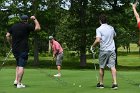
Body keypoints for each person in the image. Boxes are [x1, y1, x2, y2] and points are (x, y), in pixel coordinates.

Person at [6, 15, 41, 88]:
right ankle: (19, 84)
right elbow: (38, 28)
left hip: (15, 49)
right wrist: (34, 19)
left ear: (20, 19)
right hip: (23, 49)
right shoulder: (27, 26)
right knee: (21, 66)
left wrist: (11, 44)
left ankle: (16, 80)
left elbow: (7, 35)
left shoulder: (14, 26)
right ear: (27, 20)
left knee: (18, 64)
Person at [91, 14, 118, 89]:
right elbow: (114, 36)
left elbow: (98, 40)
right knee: (112, 67)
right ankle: (115, 83)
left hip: (104, 50)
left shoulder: (99, 29)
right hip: (112, 50)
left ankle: (101, 84)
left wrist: (93, 46)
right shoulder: (111, 28)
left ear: (100, 21)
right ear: (106, 20)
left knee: (102, 67)